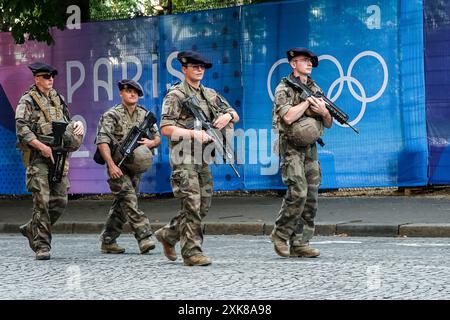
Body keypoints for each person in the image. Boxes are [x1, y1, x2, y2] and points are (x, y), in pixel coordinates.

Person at [155, 51, 239, 266]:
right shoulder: (175, 95)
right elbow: (165, 128)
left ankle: (169, 234)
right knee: (192, 203)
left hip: (203, 157)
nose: (199, 69)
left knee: (203, 206)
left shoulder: (210, 94)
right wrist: (194, 134)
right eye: (194, 66)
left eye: (202, 67)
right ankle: (192, 252)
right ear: (184, 69)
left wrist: (226, 116)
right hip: (183, 156)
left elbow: (234, 113)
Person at [15, 62, 85, 260]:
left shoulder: (57, 98)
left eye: (52, 76)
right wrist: (41, 146)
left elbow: (66, 122)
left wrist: (77, 124)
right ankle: (42, 245)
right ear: (37, 79)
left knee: (60, 201)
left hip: (58, 155)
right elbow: (22, 128)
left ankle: (31, 228)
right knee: (42, 202)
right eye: (46, 77)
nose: (50, 80)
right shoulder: (27, 101)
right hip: (38, 157)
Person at [270, 48, 333, 258]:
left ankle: (300, 242)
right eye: (304, 60)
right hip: (291, 147)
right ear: (293, 64)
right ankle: (280, 234)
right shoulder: (283, 88)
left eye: (311, 61)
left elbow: (329, 122)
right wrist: (307, 102)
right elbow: (287, 117)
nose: (309, 64)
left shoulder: (316, 88)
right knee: (298, 192)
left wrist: (323, 111)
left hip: (311, 148)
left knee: (312, 195)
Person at [95, 79, 161, 255]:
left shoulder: (144, 115)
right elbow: (102, 141)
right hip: (117, 165)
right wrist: (110, 165)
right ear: (121, 93)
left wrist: (151, 142)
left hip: (135, 166)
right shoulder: (112, 115)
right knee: (129, 200)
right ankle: (144, 236)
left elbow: (158, 137)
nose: (132, 94)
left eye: (135, 92)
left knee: (122, 204)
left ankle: (108, 240)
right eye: (128, 91)